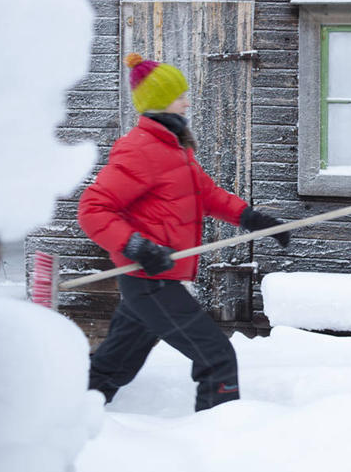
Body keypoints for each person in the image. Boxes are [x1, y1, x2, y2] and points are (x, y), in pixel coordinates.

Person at [78, 53, 289, 412]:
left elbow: (205, 195)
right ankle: (219, 434)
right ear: (160, 102)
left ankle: (65, 412)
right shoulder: (140, 150)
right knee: (216, 356)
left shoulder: (173, 149)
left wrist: (252, 219)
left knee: (112, 367)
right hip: (148, 277)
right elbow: (92, 209)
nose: (187, 101)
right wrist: (136, 246)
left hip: (152, 280)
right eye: (180, 96)